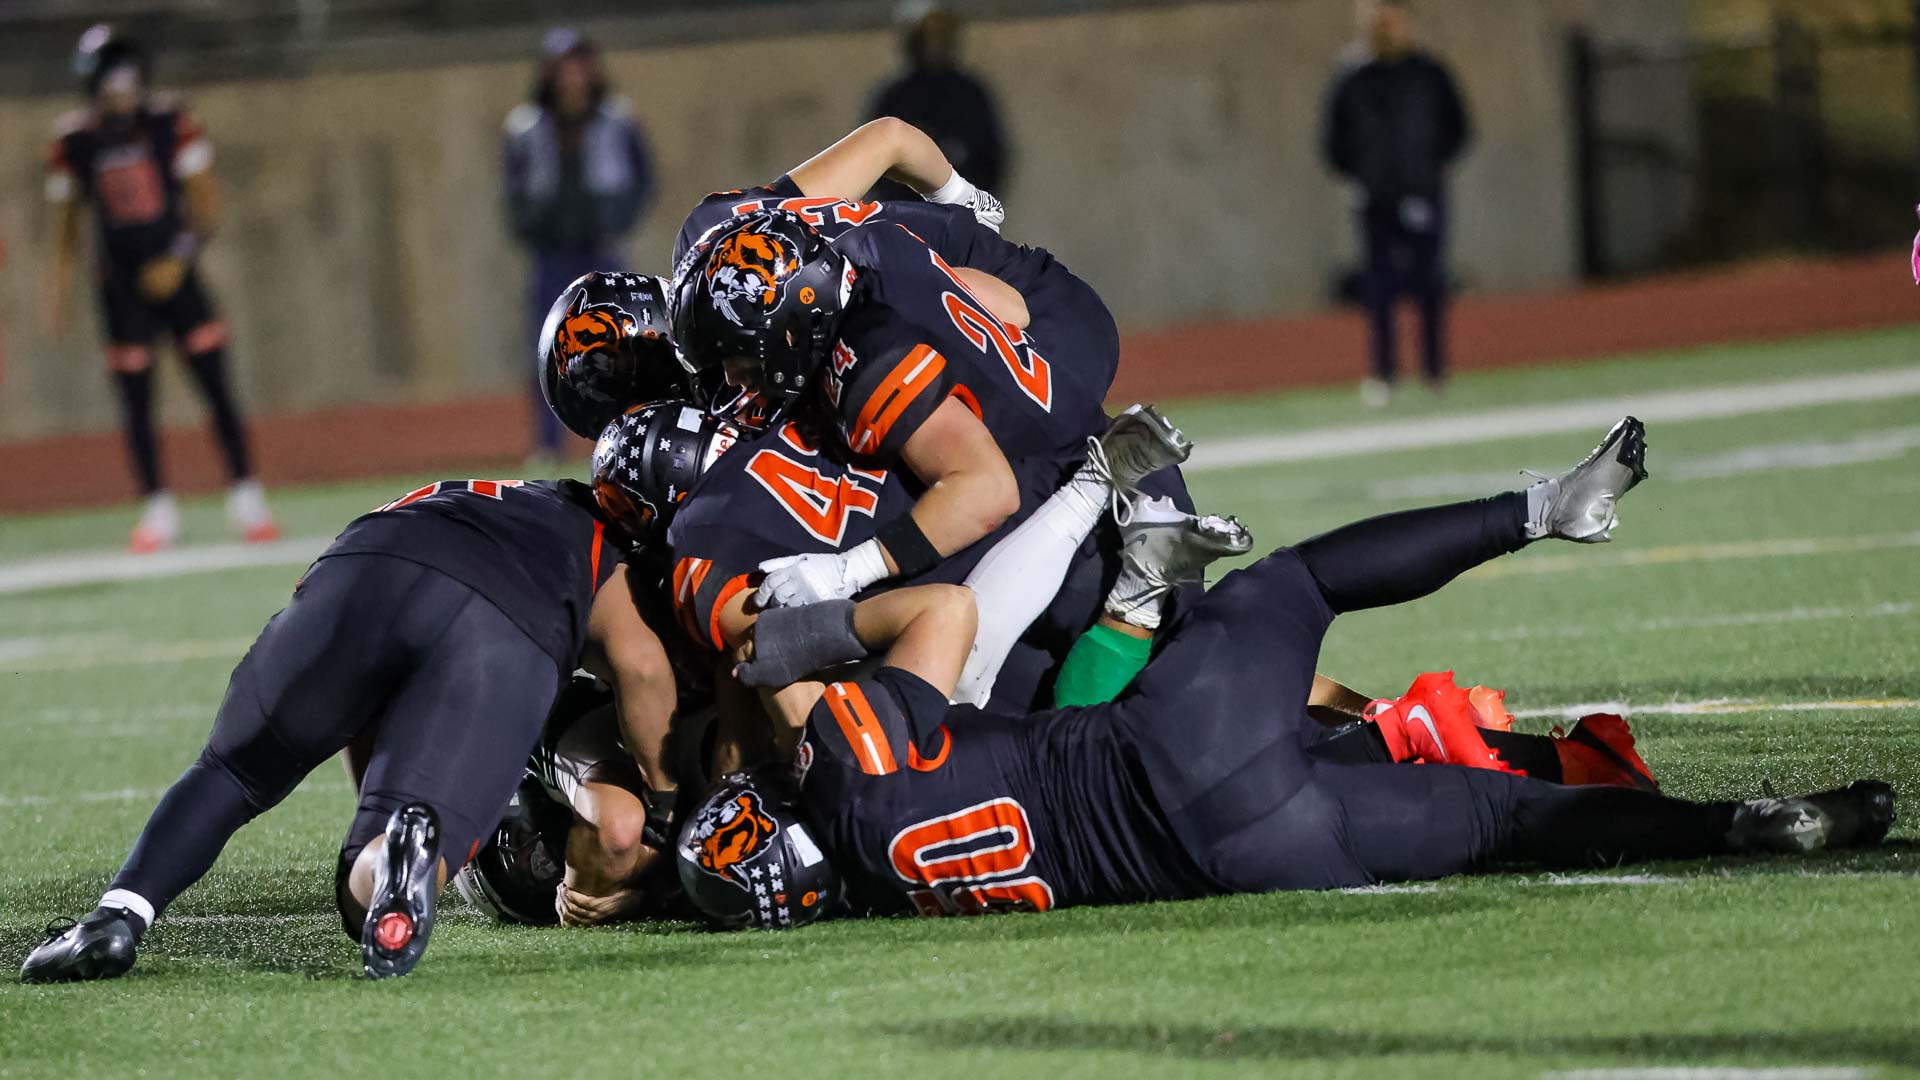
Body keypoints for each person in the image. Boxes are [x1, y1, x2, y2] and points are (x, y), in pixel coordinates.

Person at [676, 417, 1896, 927]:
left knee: (1508, 823)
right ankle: (1542, 511)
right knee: (1295, 586)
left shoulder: (882, 895)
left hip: (1249, 857)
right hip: (1169, 745)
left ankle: (1735, 826)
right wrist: (796, 640)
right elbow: (944, 612)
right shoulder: (852, 775)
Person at [20, 477, 680, 982]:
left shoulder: (471, 491)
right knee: (368, 898)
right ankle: (388, 857)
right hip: (504, 618)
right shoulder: (602, 544)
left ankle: (116, 917)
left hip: (362, 562)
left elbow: (363, 711)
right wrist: (664, 806)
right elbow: (643, 668)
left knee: (230, 772)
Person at [45, 24, 277, 552]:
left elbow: (207, 205)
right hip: (119, 285)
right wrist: (57, 292)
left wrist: (178, 258)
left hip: (177, 275)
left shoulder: (172, 123)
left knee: (215, 384)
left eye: (127, 76)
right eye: (111, 78)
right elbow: (66, 225)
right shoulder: (73, 141)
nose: (120, 89)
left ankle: (248, 499)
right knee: (136, 399)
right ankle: (157, 509)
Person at [504, 27, 654, 464]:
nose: (572, 76)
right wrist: (533, 225)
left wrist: (618, 218)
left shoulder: (617, 118)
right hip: (551, 252)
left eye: (579, 64)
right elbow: (513, 188)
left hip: (601, 247)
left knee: (620, 342)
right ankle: (548, 444)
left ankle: (622, 433)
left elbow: (643, 177)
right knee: (548, 346)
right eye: (563, 66)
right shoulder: (525, 126)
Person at [1321, 0, 1470, 406]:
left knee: (1430, 283)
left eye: (1392, 20)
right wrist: (1361, 176)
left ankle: (1435, 372)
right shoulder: (1352, 75)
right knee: (1379, 288)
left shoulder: (1429, 73)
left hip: (1424, 194)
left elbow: (1458, 127)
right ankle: (1383, 374)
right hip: (1374, 200)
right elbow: (1333, 139)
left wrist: (1426, 170)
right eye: (1378, 20)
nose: (1385, 28)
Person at [866, 4, 1008, 196]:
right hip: (908, 208)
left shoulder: (970, 93)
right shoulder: (895, 97)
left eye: (941, 35)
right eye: (926, 36)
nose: (934, 44)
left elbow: (991, 158)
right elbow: (876, 162)